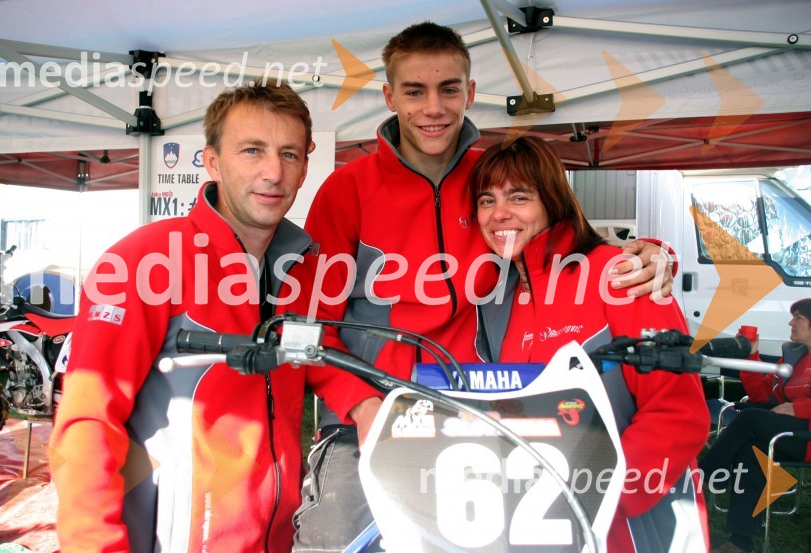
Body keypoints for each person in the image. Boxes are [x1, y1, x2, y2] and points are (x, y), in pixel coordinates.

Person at [293, 21, 680, 552]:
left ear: (471, 93)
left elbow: (565, 239)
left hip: (471, 416)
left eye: (449, 88)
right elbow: (308, 324)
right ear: (389, 96)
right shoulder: (346, 190)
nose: (434, 107)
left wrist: (654, 252)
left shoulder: (489, 179)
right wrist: (360, 408)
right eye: (415, 91)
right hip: (371, 413)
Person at [49, 82, 380, 552]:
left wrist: (366, 407)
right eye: (252, 151)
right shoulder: (144, 260)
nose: (273, 172)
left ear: (306, 166)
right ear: (212, 161)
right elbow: (86, 421)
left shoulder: (303, 267)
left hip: (277, 538)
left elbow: (317, 351)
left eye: (289, 155)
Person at [470, 136, 711, 553]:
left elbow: (678, 413)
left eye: (519, 196)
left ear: (553, 200)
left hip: (625, 525)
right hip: (530, 525)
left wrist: (598, 499)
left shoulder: (620, 276)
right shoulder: (498, 299)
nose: (499, 214)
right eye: (486, 200)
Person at [699, 298, 811, 553]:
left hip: (806, 437)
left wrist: (799, 408)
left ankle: (703, 475)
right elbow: (762, 396)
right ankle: (741, 541)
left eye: (798, 318)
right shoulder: (797, 357)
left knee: (750, 419)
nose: (791, 322)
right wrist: (750, 352)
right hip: (792, 434)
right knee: (751, 449)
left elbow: (786, 408)